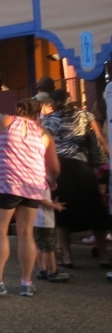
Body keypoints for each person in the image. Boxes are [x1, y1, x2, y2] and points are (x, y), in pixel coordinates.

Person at [0, 98, 60, 297]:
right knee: (26, 233)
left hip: (6, 183)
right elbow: (54, 167)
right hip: (33, 186)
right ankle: (26, 282)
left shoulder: (4, 122)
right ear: (37, 115)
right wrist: (51, 181)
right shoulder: (44, 134)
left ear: (18, 110)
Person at [41, 89, 111, 268]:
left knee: (62, 212)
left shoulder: (48, 120)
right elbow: (99, 138)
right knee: (94, 209)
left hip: (60, 168)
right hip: (82, 167)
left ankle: (67, 257)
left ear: (55, 103)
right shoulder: (85, 115)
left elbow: (45, 146)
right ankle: (104, 255)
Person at [33, 180, 70, 282]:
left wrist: (52, 203)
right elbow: (39, 199)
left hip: (38, 219)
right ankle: (53, 271)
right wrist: (54, 205)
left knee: (41, 245)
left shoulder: (38, 180)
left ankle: (42, 269)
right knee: (49, 246)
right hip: (44, 219)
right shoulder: (42, 182)